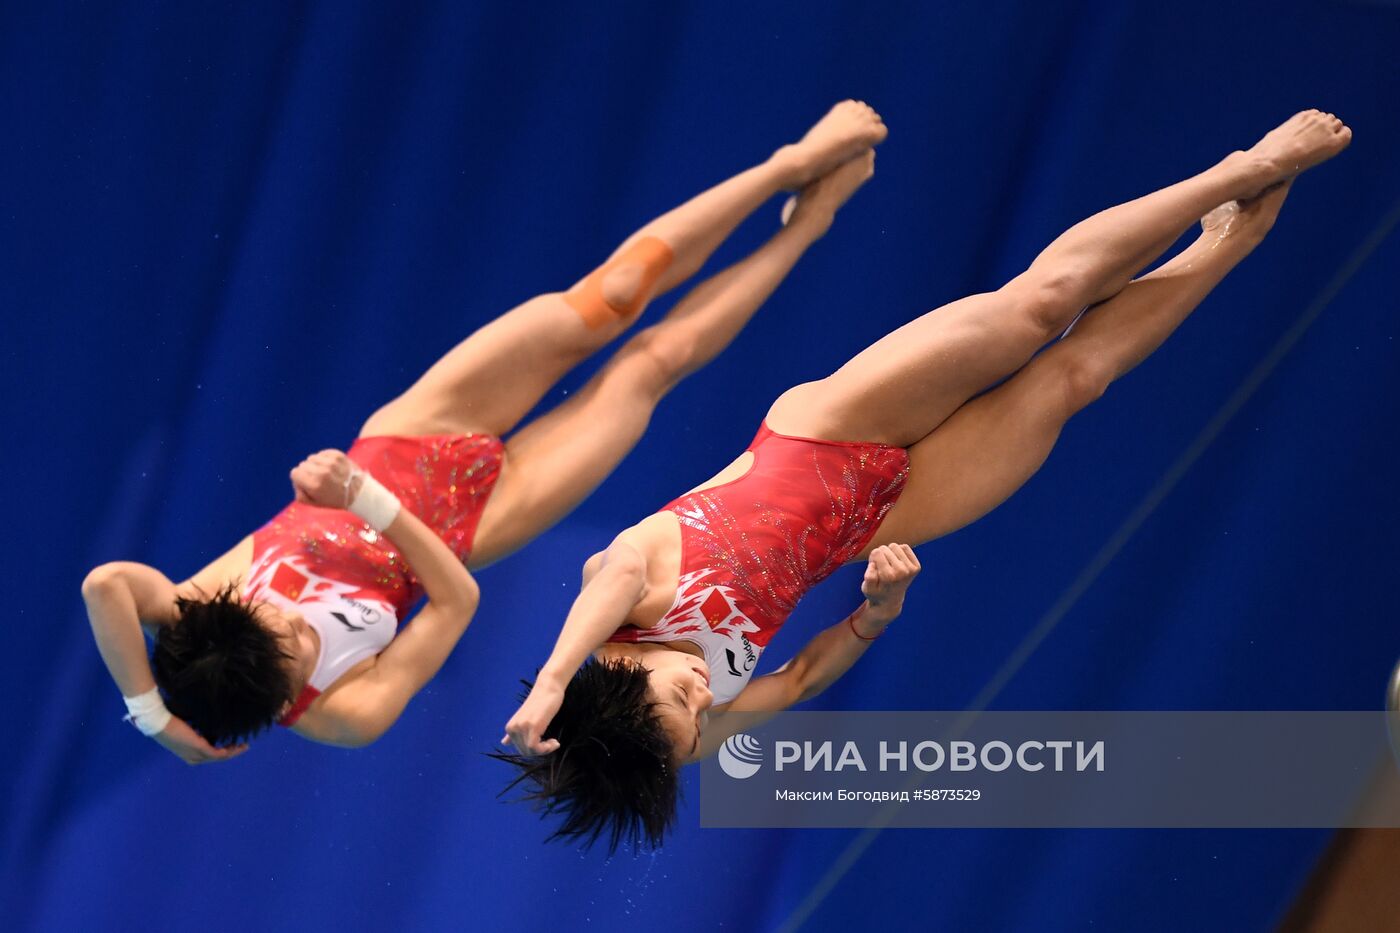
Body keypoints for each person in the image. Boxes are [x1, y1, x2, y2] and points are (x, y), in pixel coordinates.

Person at [497, 111, 1352, 851]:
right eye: (693, 724)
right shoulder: (694, 721)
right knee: (1071, 382)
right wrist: (875, 616)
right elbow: (796, 682)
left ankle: (1240, 169)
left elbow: (608, 576)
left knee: (1041, 307)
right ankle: (1229, 242)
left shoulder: (621, 601)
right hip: (874, 523)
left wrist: (547, 683)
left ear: (611, 675)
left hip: (828, 433)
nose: (696, 701)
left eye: (674, 703)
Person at [81, 101, 890, 764]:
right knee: (650, 366)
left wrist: (152, 716)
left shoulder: (192, 613)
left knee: (607, 298)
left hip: (411, 436)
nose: (291, 619)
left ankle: (785, 165)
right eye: (295, 646)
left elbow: (105, 585)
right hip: (467, 526)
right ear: (282, 698)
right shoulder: (343, 711)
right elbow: (457, 599)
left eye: (271, 621)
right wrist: (361, 500)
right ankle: (804, 225)